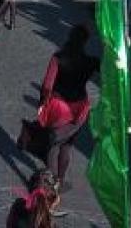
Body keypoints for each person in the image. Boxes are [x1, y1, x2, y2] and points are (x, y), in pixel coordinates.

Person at [38, 25, 100, 186]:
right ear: (85, 41)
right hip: (78, 108)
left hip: (58, 107)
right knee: (67, 145)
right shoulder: (90, 62)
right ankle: (60, 180)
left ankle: (51, 181)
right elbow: (110, 68)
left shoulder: (58, 58)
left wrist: (42, 103)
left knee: (52, 144)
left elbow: (46, 86)